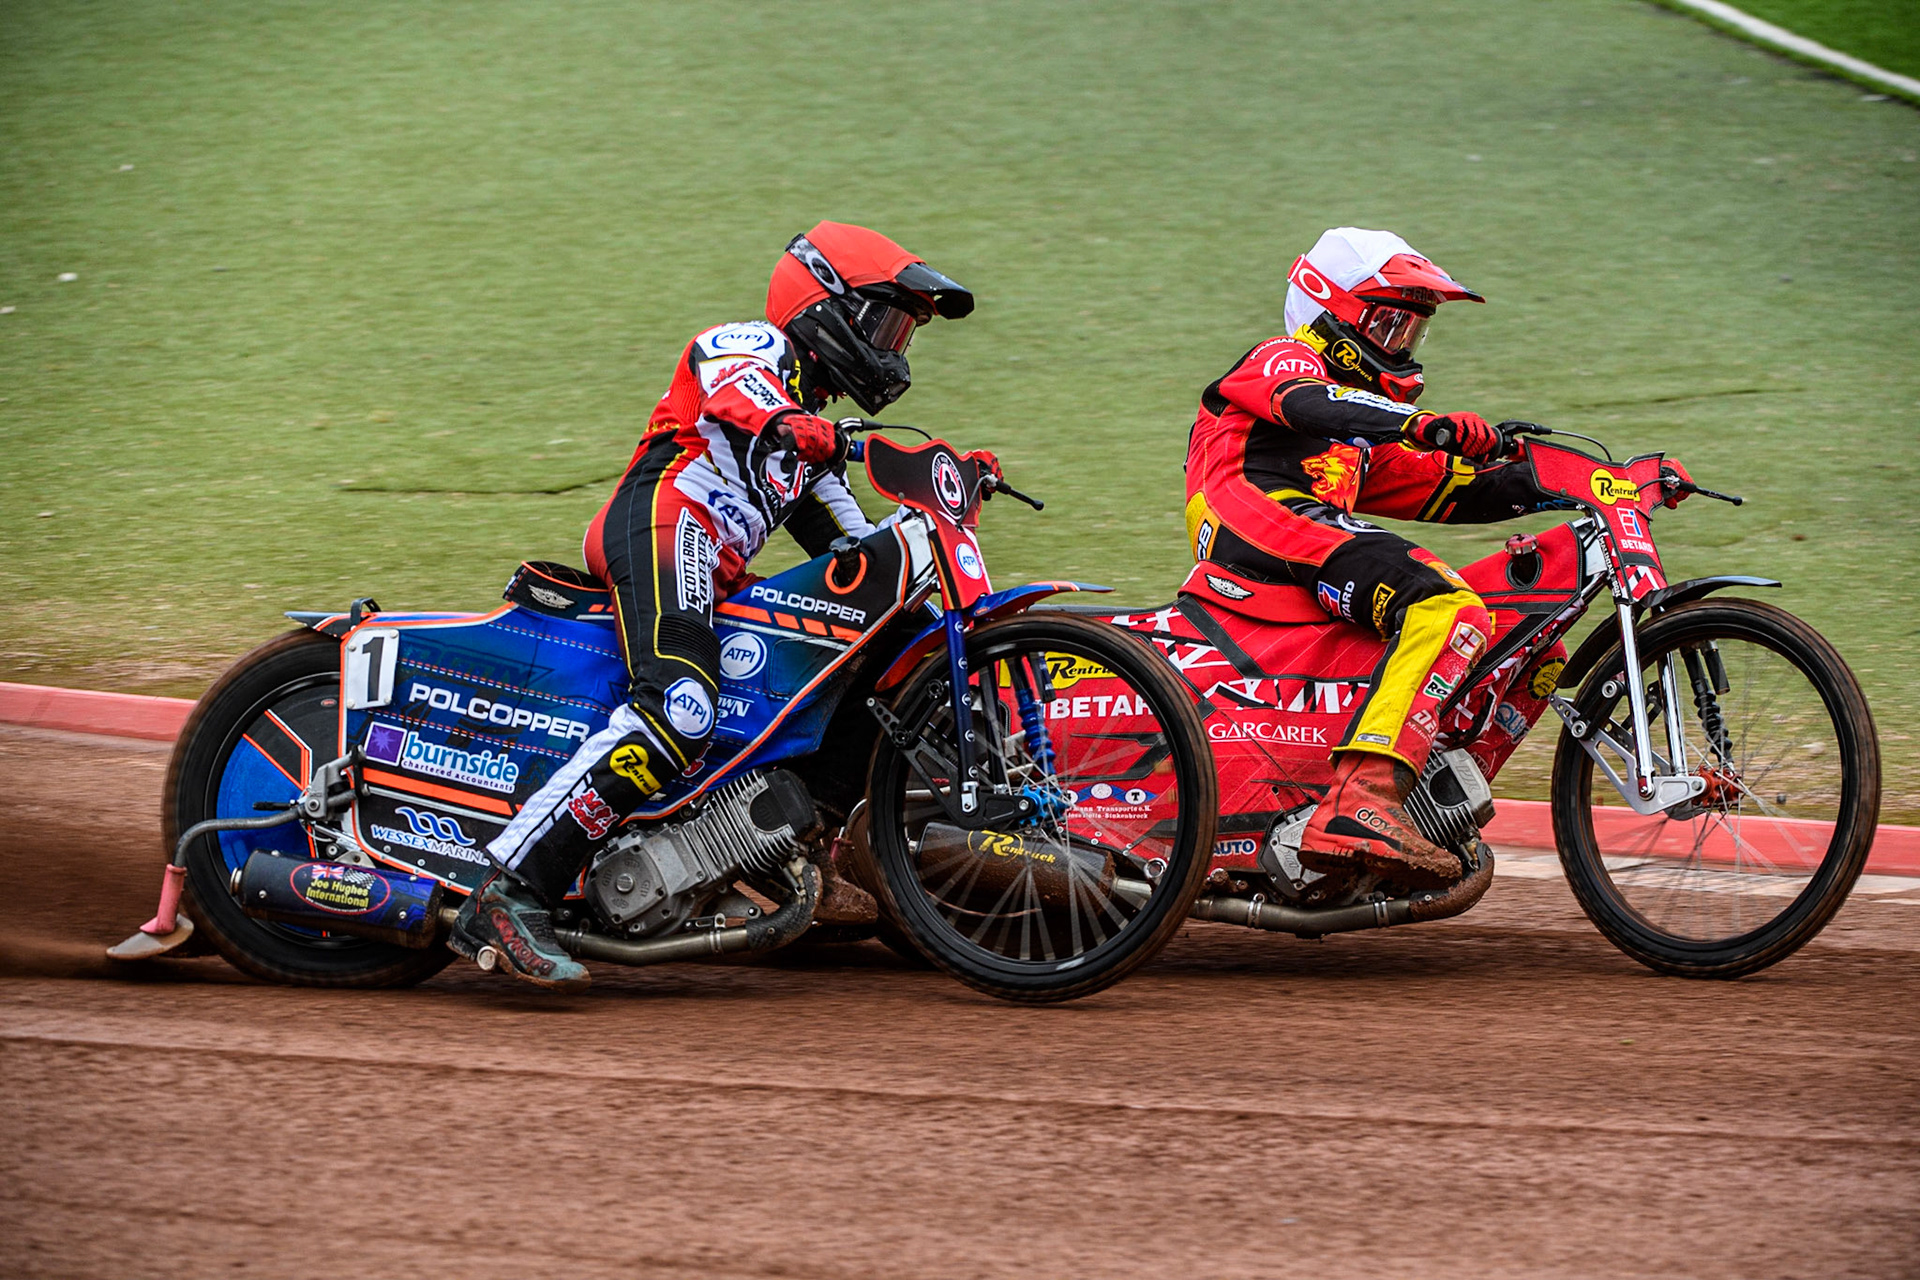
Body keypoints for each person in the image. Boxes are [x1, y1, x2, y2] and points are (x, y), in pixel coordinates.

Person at [450, 222, 982, 990]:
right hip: (663, 520)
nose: (896, 347)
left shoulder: (811, 440)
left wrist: (951, 498)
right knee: (682, 710)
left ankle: (794, 850)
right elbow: (739, 394)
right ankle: (512, 890)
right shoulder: (752, 349)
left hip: (712, 561)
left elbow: (864, 560)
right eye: (886, 322)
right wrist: (794, 426)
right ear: (826, 307)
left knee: (872, 647)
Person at [1184, 227, 1688, 888]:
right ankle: (1359, 803)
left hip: (1308, 538)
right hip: (1251, 518)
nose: (1399, 345)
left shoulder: (1361, 439)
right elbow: (1313, 401)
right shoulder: (1284, 357)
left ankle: (1426, 807)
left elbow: (1455, 489)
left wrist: (1602, 481)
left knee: (1535, 645)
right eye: (1387, 323)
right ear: (1327, 312)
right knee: (1446, 604)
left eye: (1411, 331)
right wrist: (1420, 424)